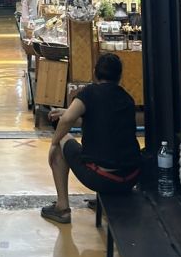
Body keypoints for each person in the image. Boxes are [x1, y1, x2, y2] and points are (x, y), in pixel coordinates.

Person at [41, 52, 141, 225]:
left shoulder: (90, 93)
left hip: (103, 179)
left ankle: (62, 208)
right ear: (120, 76)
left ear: (95, 72)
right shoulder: (127, 98)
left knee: (63, 139)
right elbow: (99, 121)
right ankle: (103, 199)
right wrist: (68, 112)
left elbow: (66, 121)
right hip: (130, 177)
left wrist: (54, 143)